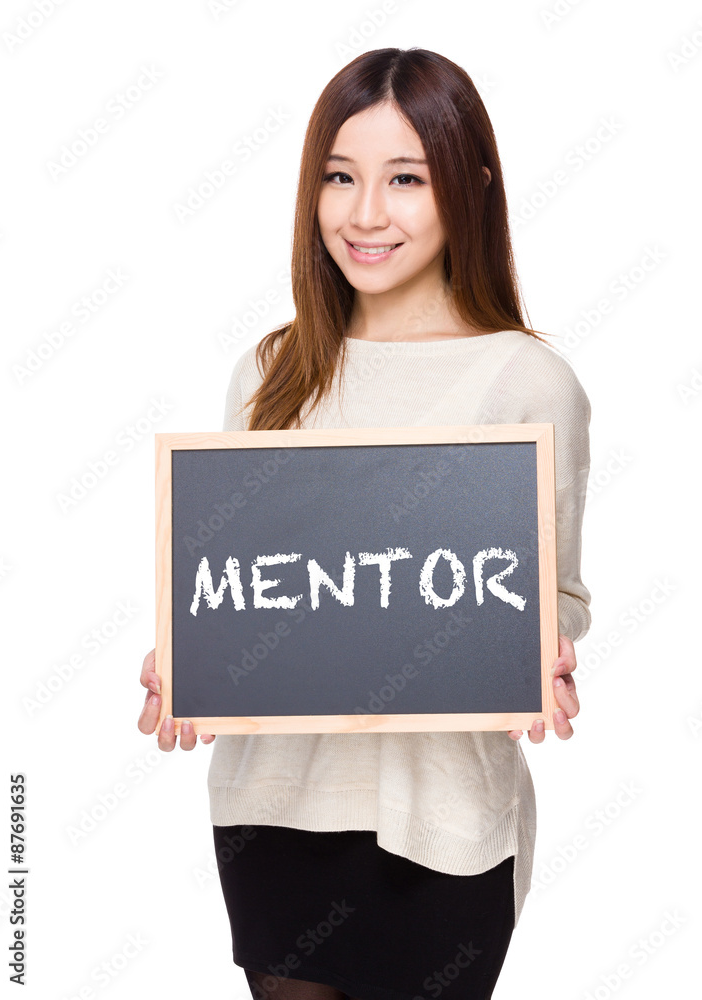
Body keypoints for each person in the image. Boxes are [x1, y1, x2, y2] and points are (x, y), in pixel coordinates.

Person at [138, 47, 591, 1000]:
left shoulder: (526, 380)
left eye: (404, 179)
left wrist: (539, 643)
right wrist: (187, 652)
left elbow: (553, 593)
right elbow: (240, 581)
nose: (364, 213)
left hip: (443, 819)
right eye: (339, 177)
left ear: (469, 186)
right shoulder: (270, 370)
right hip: (276, 803)